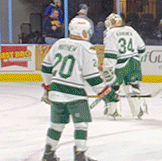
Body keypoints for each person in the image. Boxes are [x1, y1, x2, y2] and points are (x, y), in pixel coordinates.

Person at [38, 17, 109, 161]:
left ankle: (48, 155)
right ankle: (80, 155)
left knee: (56, 126)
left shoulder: (59, 43)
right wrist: (107, 93)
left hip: (56, 92)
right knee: (81, 125)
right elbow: (92, 77)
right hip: (75, 94)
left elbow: (45, 68)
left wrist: (48, 88)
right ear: (83, 32)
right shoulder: (86, 48)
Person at [100, 13, 147, 119]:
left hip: (120, 64)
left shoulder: (111, 33)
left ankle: (114, 110)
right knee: (133, 86)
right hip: (134, 62)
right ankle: (138, 109)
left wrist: (107, 68)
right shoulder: (131, 30)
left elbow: (111, 54)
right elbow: (142, 48)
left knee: (114, 87)